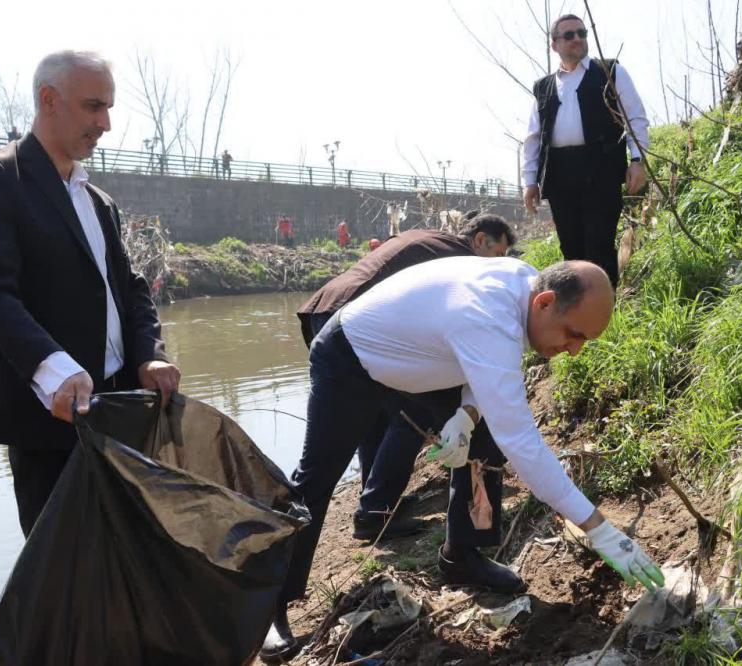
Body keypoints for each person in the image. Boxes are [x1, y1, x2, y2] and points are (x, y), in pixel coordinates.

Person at [262, 258, 664, 661]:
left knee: (485, 435)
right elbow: (521, 440)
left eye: (585, 342)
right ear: (544, 303)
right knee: (316, 479)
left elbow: (481, 364)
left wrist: (467, 416)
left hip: (420, 360)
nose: (574, 351)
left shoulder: (521, 292)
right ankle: (268, 607)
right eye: (573, 335)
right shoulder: (489, 314)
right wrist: (598, 528)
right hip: (351, 357)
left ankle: (462, 555)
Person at [0, 50, 181, 538]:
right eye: (94, 106)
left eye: (109, 108)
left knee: (129, 549)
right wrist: (55, 371)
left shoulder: (99, 202)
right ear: (49, 100)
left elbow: (131, 290)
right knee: (62, 571)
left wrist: (150, 357)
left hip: (120, 406)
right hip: (49, 416)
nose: (106, 124)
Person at [295, 216, 515, 541]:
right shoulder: (461, 262)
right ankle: (375, 509)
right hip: (354, 321)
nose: (497, 267)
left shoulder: (429, 238)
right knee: (413, 413)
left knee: (375, 413)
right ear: (481, 240)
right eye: (498, 256)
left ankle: (376, 508)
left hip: (330, 312)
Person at [522, 14, 650, 289]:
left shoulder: (610, 71)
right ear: (554, 44)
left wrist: (638, 160)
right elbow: (534, 137)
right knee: (571, 247)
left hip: (601, 170)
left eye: (582, 33)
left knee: (598, 243)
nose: (577, 39)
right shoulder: (543, 87)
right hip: (559, 174)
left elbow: (635, 118)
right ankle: (577, 318)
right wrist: (529, 181)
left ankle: (605, 314)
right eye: (569, 35)